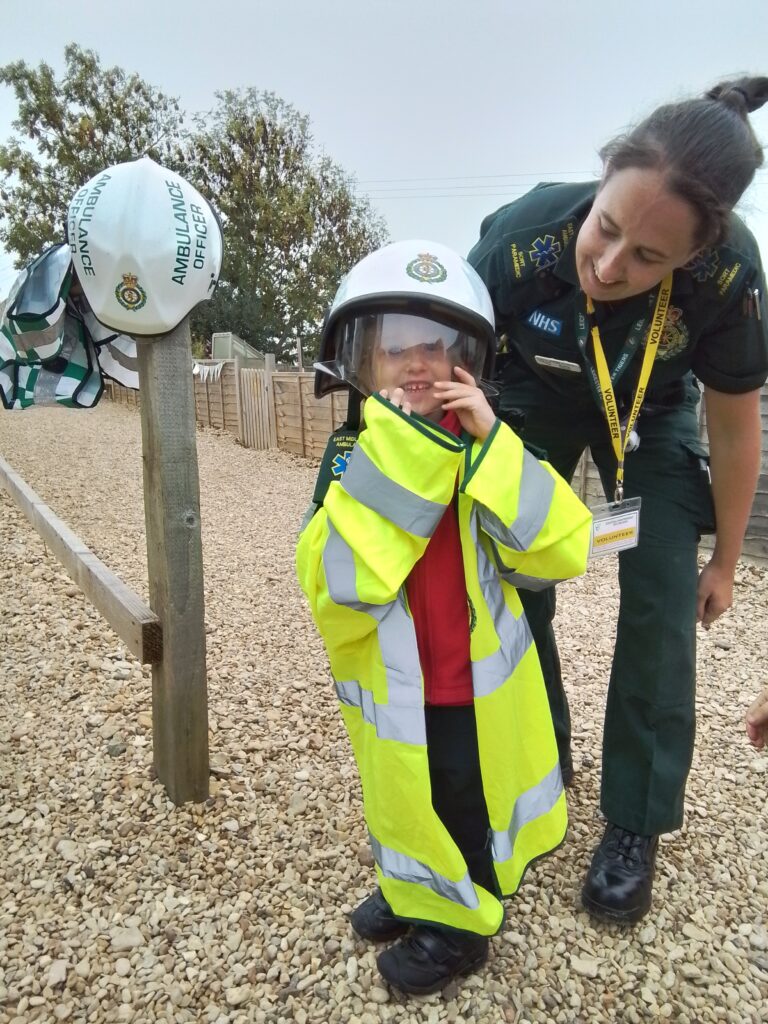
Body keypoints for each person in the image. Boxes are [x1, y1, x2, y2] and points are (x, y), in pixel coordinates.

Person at [467, 76, 768, 925]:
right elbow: (443, 365)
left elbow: (737, 428)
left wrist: (723, 558)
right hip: (525, 390)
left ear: (697, 254)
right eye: (606, 228)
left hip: (652, 411)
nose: (606, 267)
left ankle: (633, 823)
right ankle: (539, 754)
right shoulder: (520, 240)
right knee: (505, 569)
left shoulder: (733, 277)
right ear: (600, 180)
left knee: (661, 603)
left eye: (648, 259)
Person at [297, 240, 592, 995]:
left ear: (471, 360)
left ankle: (459, 929)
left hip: (467, 690)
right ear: (359, 364)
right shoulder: (349, 457)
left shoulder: (489, 449)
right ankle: (412, 889)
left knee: (459, 802)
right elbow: (331, 587)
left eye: (437, 344)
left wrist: (494, 444)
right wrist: (394, 456)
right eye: (394, 346)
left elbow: (562, 547)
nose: (416, 361)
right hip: (395, 692)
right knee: (399, 795)